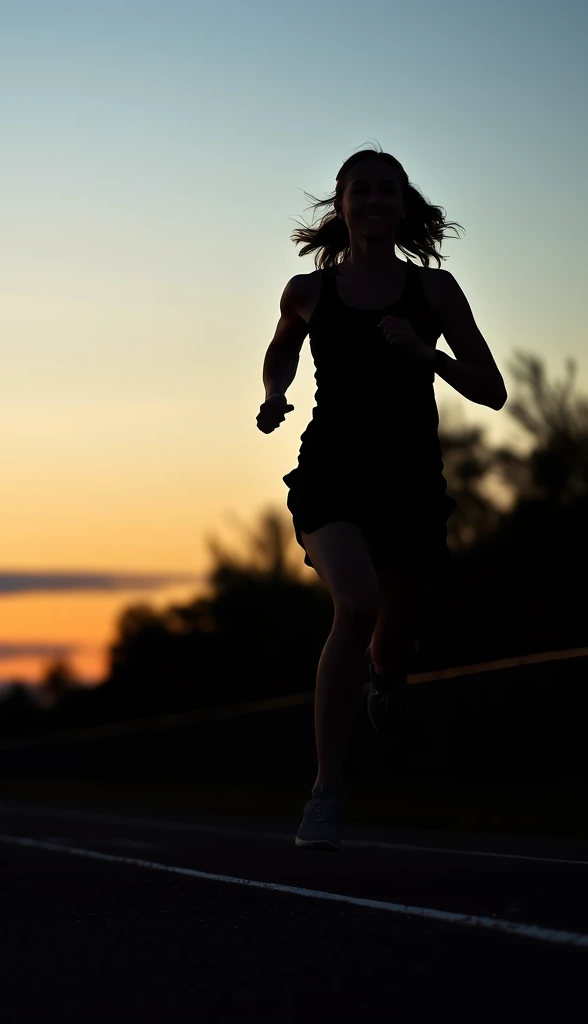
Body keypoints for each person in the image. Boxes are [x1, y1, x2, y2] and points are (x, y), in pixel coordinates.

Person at [256, 147, 507, 851]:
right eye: (359, 190)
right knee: (356, 604)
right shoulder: (308, 291)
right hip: (330, 471)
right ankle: (325, 791)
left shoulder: (434, 292)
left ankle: (388, 675)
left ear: (404, 205)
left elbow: (492, 389)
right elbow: (281, 350)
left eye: (386, 190)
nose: (373, 200)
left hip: (410, 479)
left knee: (392, 641)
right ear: (340, 204)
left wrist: (424, 354)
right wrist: (275, 395)